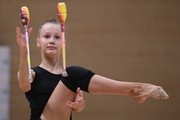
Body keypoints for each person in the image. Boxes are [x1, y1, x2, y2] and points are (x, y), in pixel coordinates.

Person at [16, 18, 169, 120]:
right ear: (37, 42)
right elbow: (24, 84)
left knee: (71, 75)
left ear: (62, 43)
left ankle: (136, 91)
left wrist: (79, 105)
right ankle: (135, 90)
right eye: (46, 36)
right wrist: (23, 52)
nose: (51, 41)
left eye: (57, 37)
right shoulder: (33, 73)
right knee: (72, 73)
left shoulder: (68, 81)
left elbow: (79, 107)